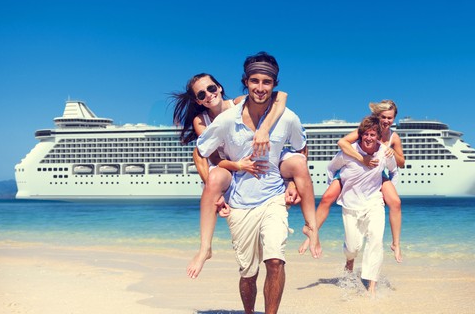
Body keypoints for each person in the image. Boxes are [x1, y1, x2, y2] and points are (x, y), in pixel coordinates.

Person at [196, 52, 320, 314]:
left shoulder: (287, 118)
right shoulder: (226, 120)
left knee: (275, 260)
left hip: (273, 197)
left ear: (274, 84)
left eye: (267, 82)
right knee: (248, 274)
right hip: (240, 203)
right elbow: (202, 150)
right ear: (245, 82)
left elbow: (302, 148)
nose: (260, 88)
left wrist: (294, 184)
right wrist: (216, 188)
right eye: (255, 81)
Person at [172, 73, 289, 279]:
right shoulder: (201, 120)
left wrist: (264, 129)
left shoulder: (238, 103)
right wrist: (238, 165)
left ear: (219, 87)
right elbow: (215, 158)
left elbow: (281, 96)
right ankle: (205, 249)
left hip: (249, 164)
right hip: (228, 167)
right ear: (198, 101)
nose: (208, 95)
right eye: (201, 94)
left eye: (211, 88)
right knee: (211, 171)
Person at [300, 99, 405, 263]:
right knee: (327, 198)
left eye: (390, 118)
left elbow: (402, 163)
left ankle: (396, 244)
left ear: (394, 118)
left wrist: (392, 151)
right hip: (353, 170)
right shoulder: (365, 130)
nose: (386, 121)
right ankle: (311, 234)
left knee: (396, 202)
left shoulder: (394, 137)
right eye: (383, 117)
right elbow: (342, 142)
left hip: (376, 172)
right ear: (378, 116)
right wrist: (362, 158)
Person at [327, 115, 397, 295]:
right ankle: (349, 261)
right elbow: (331, 168)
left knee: (375, 240)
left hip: (374, 203)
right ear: (360, 135)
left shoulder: (384, 152)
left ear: (378, 136)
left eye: (372, 135)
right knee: (353, 248)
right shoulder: (348, 152)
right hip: (350, 204)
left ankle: (371, 287)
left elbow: (393, 170)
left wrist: (386, 187)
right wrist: (336, 184)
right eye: (365, 134)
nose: (368, 138)